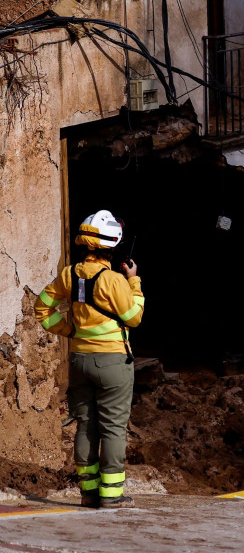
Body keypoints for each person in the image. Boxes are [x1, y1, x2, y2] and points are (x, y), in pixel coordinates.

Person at [34, 211, 144, 508]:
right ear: (112, 247)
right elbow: (134, 318)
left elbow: (42, 308)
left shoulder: (70, 274)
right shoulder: (114, 280)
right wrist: (134, 283)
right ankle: (112, 496)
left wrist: (69, 330)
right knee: (112, 428)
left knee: (85, 425)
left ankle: (89, 493)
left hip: (80, 360)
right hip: (112, 364)